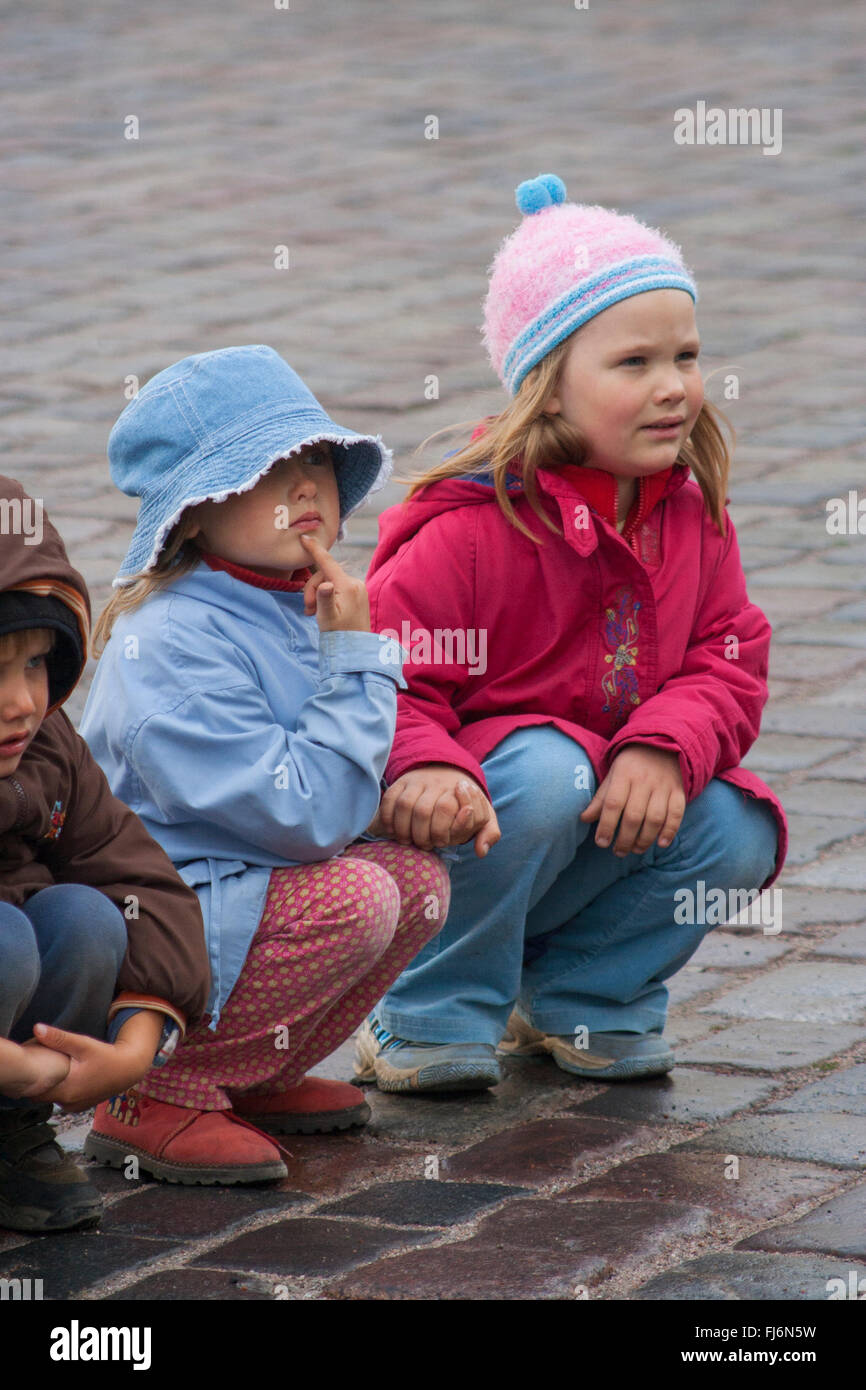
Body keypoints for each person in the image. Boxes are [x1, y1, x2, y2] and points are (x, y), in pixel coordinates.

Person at [356, 174, 786, 1092]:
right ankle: (428, 1005)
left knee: (736, 826)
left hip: (593, 820)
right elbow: (372, 678)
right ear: (547, 388)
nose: (674, 388)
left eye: (686, 355)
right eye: (634, 364)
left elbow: (728, 656)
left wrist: (667, 748)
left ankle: (584, 990)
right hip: (478, 825)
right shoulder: (468, 533)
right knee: (550, 769)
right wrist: (422, 766)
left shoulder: (691, 515)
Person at [78, 345, 450, 1181]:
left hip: (245, 886)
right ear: (195, 515)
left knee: (419, 884)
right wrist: (353, 656)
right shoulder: (173, 641)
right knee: (359, 896)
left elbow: (349, 781)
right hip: (161, 927)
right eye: (270, 470)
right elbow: (313, 817)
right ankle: (154, 1085)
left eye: (315, 459)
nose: (307, 486)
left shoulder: (289, 600)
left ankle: (251, 1069)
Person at [0, 476, 212, 1230]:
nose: (21, 702)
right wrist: (17, 1066)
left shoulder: (48, 748)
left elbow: (143, 882)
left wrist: (132, 1053)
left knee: (89, 917)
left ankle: (7, 1134)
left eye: (34, 664)